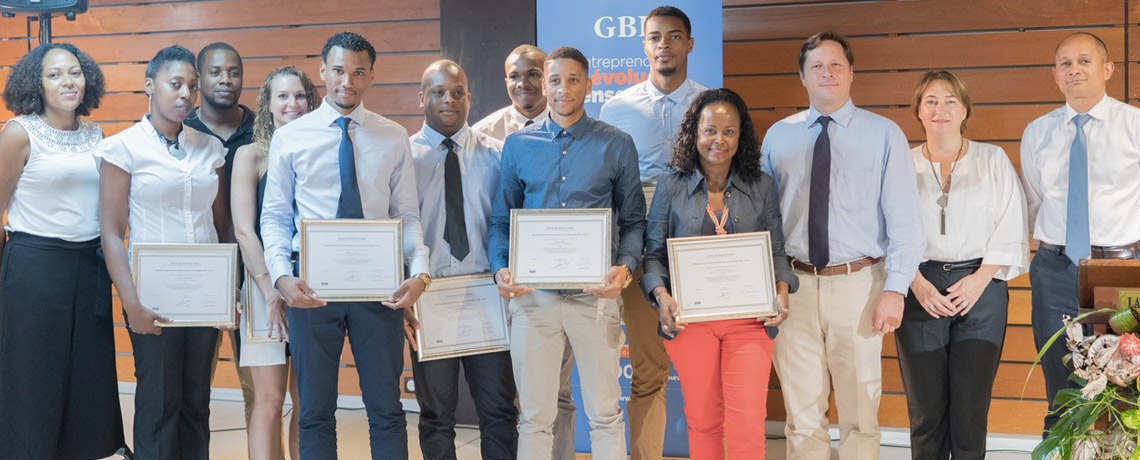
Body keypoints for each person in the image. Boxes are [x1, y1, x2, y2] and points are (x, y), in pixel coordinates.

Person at [260, 32, 431, 460]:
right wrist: (281, 275)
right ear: (323, 71)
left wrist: (420, 273)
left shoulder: (393, 136)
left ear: (371, 76)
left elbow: (407, 215)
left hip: (379, 290)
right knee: (315, 411)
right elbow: (276, 217)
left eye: (358, 72)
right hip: (310, 289)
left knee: (387, 410)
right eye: (338, 70)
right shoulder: (292, 137)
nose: (347, 82)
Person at [760, 32, 924, 460]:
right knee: (801, 415)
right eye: (816, 66)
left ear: (852, 73)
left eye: (835, 65)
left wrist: (896, 289)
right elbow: (763, 218)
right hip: (792, 286)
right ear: (803, 76)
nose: (826, 73)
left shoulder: (884, 134)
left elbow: (906, 221)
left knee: (860, 414)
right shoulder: (779, 137)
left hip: (860, 285)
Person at [489, 45, 645, 460]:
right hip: (533, 301)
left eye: (573, 79)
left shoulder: (616, 144)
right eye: (554, 80)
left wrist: (625, 269)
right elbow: (502, 222)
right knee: (535, 418)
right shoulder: (519, 146)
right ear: (544, 83)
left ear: (589, 84)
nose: (563, 89)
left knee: (606, 414)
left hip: (594, 299)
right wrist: (501, 268)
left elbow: (633, 222)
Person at [642, 88, 795, 459]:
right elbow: (654, 255)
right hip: (690, 322)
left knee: (746, 425)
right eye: (710, 130)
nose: (719, 141)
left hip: (750, 320)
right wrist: (661, 297)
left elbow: (776, 251)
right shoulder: (671, 185)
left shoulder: (761, 186)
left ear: (741, 136)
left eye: (729, 131)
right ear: (694, 133)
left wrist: (781, 293)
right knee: (703, 421)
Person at [97, 45, 231, 460]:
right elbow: (110, 231)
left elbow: (222, 226)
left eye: (192, 86)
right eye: (176, 85)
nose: (186, 94)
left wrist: (230, 292)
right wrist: (131, 302)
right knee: (159, 400)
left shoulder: (210, 148)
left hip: (205, 296)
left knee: (196, 400)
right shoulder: (123, 147)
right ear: (150, 86)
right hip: (150, 295)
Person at [0, 42, 126, 460]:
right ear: (36, 84)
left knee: (86, 381)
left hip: (88, 267)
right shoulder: (19, 132)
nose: (67, 81)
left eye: (74, 72)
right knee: (33, 378)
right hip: (33, 269)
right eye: (54, 75)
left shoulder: (96, 135)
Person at [898, 69, 1029, 459]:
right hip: (918, 284)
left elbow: (1011, 224)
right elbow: (886, 232)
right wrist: (918, 284)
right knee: (926, 408)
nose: (941, 109)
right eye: (931, 101)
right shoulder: (901, 164)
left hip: (982, 287)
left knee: (972, 407)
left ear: (965, 109)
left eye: (951, 100)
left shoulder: (992, 159)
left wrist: (978, 281)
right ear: (918, 111)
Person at [598, 7, 706, 458]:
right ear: (644, 45)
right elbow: (606, 187)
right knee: (647, 370)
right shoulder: (615, 108)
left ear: (688, 44)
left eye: (674, 36)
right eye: (655, 37)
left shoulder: (712, 103)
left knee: (709, 370)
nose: (664, 44)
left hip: (701, 252)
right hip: (640, 252)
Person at [1022, 32, 1140, 432]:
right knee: (1061, 376)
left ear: (1107, 69)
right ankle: (1065, 448)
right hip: (1055, 266)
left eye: (1084, 61)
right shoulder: (1038, 131)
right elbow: (1036, 200)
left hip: (1119, 266)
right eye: (1066, 63)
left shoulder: (1134, 125)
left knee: (1125, 377)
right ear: (1055, 74)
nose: (1075, 70)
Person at [409, 59, 519, 460]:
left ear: (469, 98)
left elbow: (509, 226)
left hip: (487, 296)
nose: (449, 100)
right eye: (438, 92)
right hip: (429, 299)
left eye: (457, 92)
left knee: (499, 411)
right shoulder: (403, 158)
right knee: (436, 415)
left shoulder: (499, 155)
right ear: (421, 98)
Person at [474, 44, 577, 460]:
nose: (525, 83)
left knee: (559, 390)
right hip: (501, 280)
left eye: (535, 74)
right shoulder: (484, 135)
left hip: (557, 282)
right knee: (509, 393)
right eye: (516, 76)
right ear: (505, 81)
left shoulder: (578, 132)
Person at [232, 66, 319, 460]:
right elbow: (245, 231)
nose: (292, 104)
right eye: (282, 96)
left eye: (300, 95)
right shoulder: (250, 155)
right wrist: (270, 290)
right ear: (267, 105)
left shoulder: (319, 149)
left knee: (308, 404)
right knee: (268, 401)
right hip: (262, 288)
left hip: (310, 287)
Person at [183, 40, 259, 431]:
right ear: (198, 78)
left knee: (261, 394)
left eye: (234, 71)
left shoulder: (264, 128)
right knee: (193, 389)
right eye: (215, 71)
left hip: (256, 272)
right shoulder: (182, 130)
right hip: (199, 272)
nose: (226, 79)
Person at [472, 45, 551, 140]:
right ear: (507, 83)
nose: (523, 84)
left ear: (548, 79)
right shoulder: (483, 133)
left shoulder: (569, 126)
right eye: (514, 77)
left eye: (532, 75)